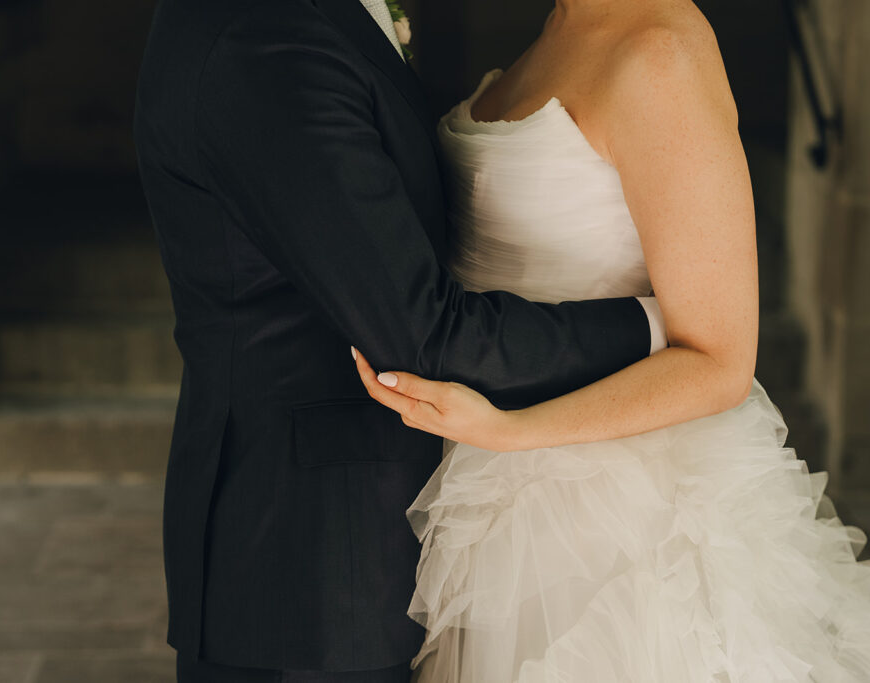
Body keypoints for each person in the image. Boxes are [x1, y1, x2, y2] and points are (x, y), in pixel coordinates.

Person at [351, 0, 870, 681]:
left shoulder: (660, 54)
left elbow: (720, 361)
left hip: (609, 515)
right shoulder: (558, 29)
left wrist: (510, 430)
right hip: (493, 490)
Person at [133, 0, 671, 680]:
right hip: (313, 577)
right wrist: (656, 326)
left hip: (356, 552)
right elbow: (426, 333)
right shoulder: (266, 34)